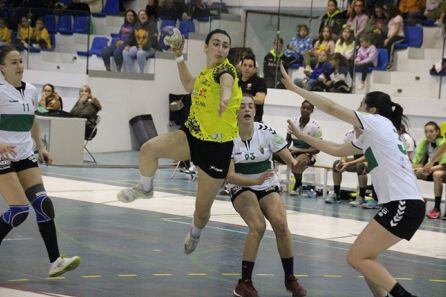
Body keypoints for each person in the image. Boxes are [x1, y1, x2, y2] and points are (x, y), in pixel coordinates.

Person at [280, 63, 424, 297]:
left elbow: (331, 106)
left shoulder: (376, 123)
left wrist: (296, 90)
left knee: (356, 257)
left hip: (403, 204)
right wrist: (301, 136)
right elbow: (336, 148)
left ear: (373, 110)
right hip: (401, 204)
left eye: (361, 107)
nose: (356, 112)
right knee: (367, 260)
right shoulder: (373, 134)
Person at [117, 29, 243, 255]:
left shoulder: (225, 70)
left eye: (225, 45)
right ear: (206, 47)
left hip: (216, 149)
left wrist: (225, 98)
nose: (220, 48)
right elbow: (188, 85)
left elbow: (226, 83)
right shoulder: (206, 73)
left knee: (202, 211)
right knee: (148, 149)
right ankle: (145, 189)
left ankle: (195, 233)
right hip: (191, 136)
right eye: (216, 43)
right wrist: (178, 56)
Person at [0, 44, 80, 277]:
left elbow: (32, 119)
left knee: (44, 206)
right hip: (2, 156)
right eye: (13, 62)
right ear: (2, 67)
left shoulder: (32, 90)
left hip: (25, 154)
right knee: (19, 210)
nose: (19, 66)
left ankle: (56, 261)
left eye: (21, 61)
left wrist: (41, 147)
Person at [227, 95, 307, 297]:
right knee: (258, 226)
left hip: (267, 183)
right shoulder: (227, 136)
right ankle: (244, 283)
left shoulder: (266, 131)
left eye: (250, 106)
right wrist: (254, 181)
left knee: (280, 224)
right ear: (235, 111)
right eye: (242, 106)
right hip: (242, 185)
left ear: (255, 111)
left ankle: (290, 278)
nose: (247, 109)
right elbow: (230, 176)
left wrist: (298, 164)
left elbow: (290, 160)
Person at [282, 100, 322, 196]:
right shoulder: (293, 122)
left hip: (308, 154)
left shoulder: (316, 126)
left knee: (298, 162)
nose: (305, 110)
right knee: (274, 155)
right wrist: (283, 150)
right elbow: (287, 141)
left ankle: (298, 185)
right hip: (294, 151)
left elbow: (317, 149)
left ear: (312, 111)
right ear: (300, 108)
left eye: (308, 109)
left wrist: (299, 150)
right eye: (303, 108)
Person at [325, 129, 370, 205]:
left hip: (370, 160)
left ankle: (362, 197)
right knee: (337, 164)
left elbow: (368, 156)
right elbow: (344, 150)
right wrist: (343, 161)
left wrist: (350, 163)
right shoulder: (350, 134)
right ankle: (336, 194)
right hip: (356, 160)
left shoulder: (369, 134)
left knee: (360, 166)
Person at [412, 121, 446, 219]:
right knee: (411, 173)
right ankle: (417, 201)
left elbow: (443, 166)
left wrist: (425, 169)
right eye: (426, 131)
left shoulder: (442, 143)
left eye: (431, 131)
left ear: (437, 132)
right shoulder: (425, 144)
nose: (428, 134)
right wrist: (414, 168)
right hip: (431, 170)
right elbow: (418, 163)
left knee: (437, 174)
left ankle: (437, 208)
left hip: (442, 170)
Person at [122, 9, 158, 73]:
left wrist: (143, 47)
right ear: (138, 17)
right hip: (139, 47)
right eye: (141, 15)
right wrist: (127, 45)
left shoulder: (152, 25)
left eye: (144, 14)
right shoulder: (137, 25)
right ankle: (130, 72)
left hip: (151, 48)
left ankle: (141, 73)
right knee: (125, 52)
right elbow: (131, 37)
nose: (142, 16)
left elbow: (152, 40)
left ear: (147, 16)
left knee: (140, 53)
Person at [238, 55, 267, 122]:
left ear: (254, 69)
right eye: (245, 65)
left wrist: (237, 97)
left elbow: (260, 100)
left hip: (254, 122)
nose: (247, 68)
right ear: (241, 67)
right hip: (237, 122)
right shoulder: (235, 81)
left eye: (250, 66)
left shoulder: (260, 81)